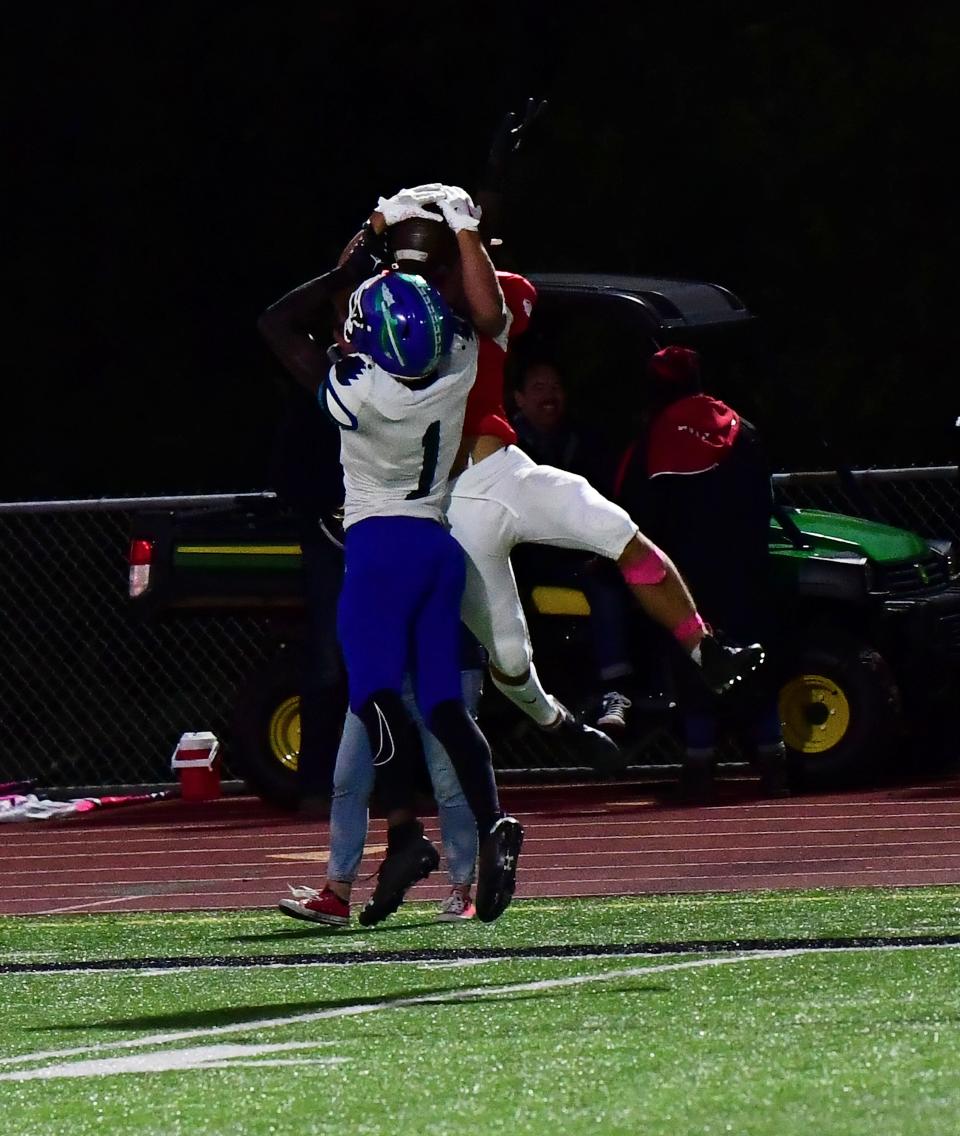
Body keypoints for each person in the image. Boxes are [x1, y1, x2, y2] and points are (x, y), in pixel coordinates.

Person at [382, 201, 767, 772]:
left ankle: (703, 646)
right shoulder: (392, 314)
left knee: (616, 529)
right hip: (452, 501)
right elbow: (345, 301)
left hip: (504, 470)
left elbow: (488, 310)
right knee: (510, 657)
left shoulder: (496, 292)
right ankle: (557, 721)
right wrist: (372, 231)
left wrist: (464, 229)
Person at [258, 205, 524, 925]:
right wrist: (433, 250)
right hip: (438, 549)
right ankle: (495, 821)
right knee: (441, 705)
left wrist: (353, 266)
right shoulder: (460, 359)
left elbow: (279, 325)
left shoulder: (362, 392)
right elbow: (470, 308)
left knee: (375, 699)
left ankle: (404, 833)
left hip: (379, 552)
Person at [614, 345, 789, 796]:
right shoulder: (741, 429)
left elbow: (633, 516)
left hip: (688, 573)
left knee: (694, 658)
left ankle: (699, 766)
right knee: (756, 659)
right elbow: (765, 498)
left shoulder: (654, 438)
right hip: (747, 567)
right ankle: (774, 761)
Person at [509, 358, 642, 737]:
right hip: (522, 557)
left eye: (554, 387)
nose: (548, 396)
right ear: (518, 398)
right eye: (537, 388)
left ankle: (614, 692)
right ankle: (524, 700)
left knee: (610, 587)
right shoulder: (503, 446)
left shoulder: (584, 439)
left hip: (580, 556)